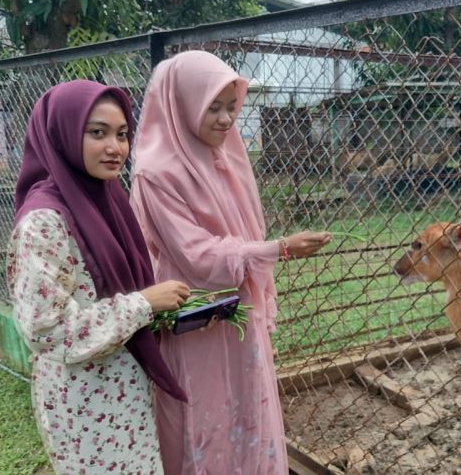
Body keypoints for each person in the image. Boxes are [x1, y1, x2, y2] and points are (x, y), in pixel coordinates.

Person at [130, 50, 331, 474]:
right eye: (213, 108)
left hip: (237, 308)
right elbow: (196, 255)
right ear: (181, 103)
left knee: (247, 404)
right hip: (194, 312)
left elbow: (242, 231)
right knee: (204, 413)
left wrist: (266, 250)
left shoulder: (226, 154)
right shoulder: (157, 172)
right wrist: (278, 248)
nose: (225, 120)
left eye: (231, 108)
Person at [7, 80, 191, 474]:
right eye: (97, 132)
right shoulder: (45, 221)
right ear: (62, 134)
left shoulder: (105, 199)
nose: (115, 147)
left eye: (122, 134)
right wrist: (144, 303)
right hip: (86, 403)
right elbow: (45, 329)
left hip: (124, 391)